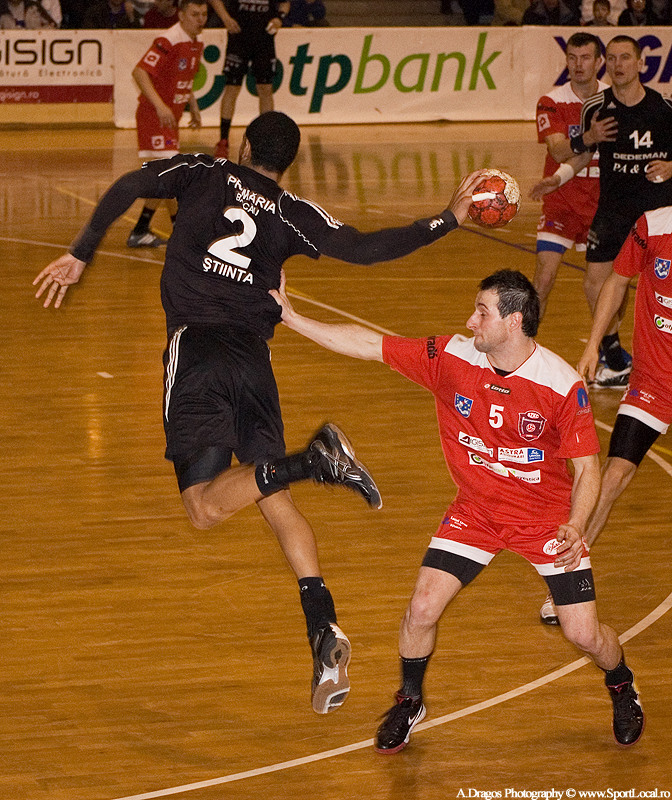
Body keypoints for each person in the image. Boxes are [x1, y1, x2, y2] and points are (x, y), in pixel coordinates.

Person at [33, 111, 486, 716]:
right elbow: (366, 248)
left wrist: (82, 251)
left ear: (245, 145)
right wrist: (448, 218)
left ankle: (313, 461)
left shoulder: (204, 171)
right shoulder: (292, 212)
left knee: (203, 508)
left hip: (197, 351)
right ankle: (323, 628)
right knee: (270, 496)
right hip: (254, 364)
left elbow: (130, 185)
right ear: (287, 162)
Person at [270, 267, 644, 752]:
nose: (470, 321)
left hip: (546, 524)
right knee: (421, 608)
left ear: (513, 321)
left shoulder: (560, 385)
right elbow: (370, 344)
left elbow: (588, 470)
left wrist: (575, 524)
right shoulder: (451, 357)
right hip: (477, 513)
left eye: (482, 312)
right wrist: (293, 318)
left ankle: (621, 683)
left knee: (584, 635)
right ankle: (410, 700)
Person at [531, 35, 672, 389]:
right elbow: (582, 153)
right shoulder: (596, 107)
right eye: (613, 58)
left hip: (656, 214)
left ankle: (644, 358)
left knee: (658, 288)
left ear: (641, 64)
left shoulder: (663, 108)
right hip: (612, 210)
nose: (618, 64)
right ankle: (609, 353)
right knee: (595, 282)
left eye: (625, 58)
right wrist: (557, 178)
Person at [576, 206, 672, 551]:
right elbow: (616, 281)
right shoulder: (654, 225)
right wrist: (594, 345)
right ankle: (572, 567)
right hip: (654, 379)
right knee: (615, 474)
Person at [533, 32, 607, 319]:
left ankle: (608, 343)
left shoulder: (612, 100)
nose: (578, 65)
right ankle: (524, 343)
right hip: (561, 200)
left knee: (604, 286)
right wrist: (589, 136)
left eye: (585, 58)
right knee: (544, 277)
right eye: (572, 58)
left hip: (603, 205)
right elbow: (558, 151)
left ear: (598, 62)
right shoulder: (552, 101)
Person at [128, 0, 207, 248]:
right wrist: (161, 106)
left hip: (171, 119)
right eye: (195, 14)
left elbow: (183, 77)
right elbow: (139, 72)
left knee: (165, 177)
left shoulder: (196, 41)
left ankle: (141, 229)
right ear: (181, 15)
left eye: (204, 14)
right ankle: (180, 232)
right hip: (154, 117)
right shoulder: (169, 39)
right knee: (172, 174)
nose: (201, 19)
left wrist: (193, 105)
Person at [208, 0, 289, 159]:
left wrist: (279, 18)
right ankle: (223, 140)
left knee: (265, 88)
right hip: (238, 37)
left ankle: (267, 140)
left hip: (264, 38)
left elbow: (285, 3)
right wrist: (225, 17)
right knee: (232, 87)